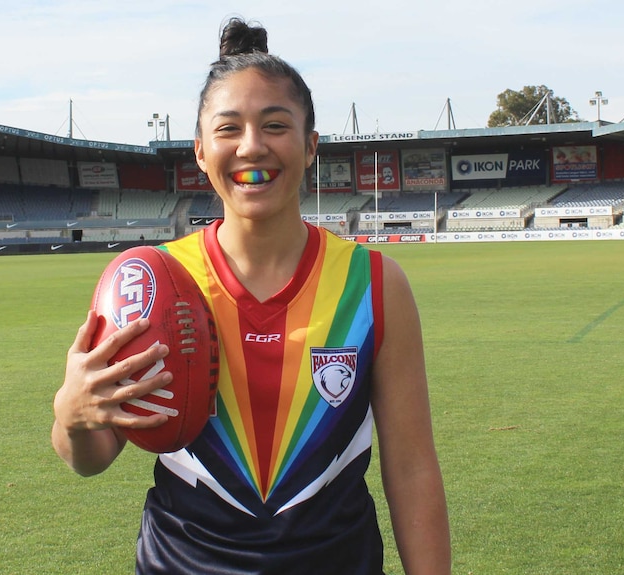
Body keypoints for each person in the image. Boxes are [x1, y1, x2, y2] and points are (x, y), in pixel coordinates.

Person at [52, 17, 450, 575]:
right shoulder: (153, 281)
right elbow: (92, 457)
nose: (252, 147)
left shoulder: (376, 285)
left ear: (311, 145)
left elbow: (411, 468)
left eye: (275, 125)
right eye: (228, 128)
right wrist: (72, 416)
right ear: (198, 151)